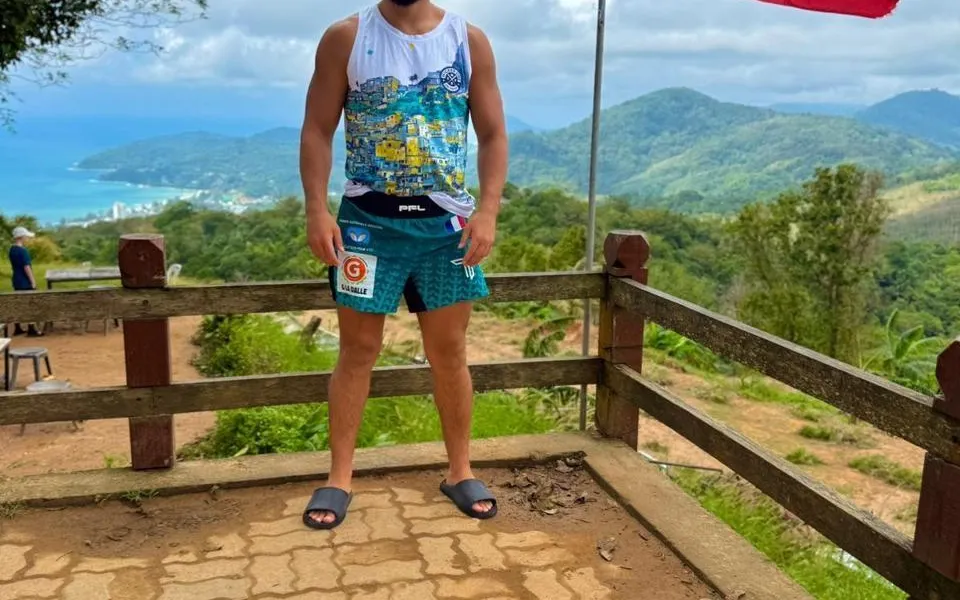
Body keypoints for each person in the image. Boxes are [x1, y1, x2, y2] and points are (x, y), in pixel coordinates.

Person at [299, 0, 507, 529]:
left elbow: (493, 134)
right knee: (357, 350)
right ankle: (339, 478)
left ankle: (460, 471)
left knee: (450, 351)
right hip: (367, 225)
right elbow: (317, 128)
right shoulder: (346, 37)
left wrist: (487, 211)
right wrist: (316, 208)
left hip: (446, 228)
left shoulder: (468, 41)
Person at [8, 226, 43, 337]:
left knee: (19, 303)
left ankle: (17, 327)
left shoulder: (12, 250)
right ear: (21, 237)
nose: (27, 238)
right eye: (26, 236)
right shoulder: (23, 251)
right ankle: (31, 328)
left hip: (16, 280)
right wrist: (33, 282)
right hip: (25, 281)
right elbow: (26, 267)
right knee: (30, 303)